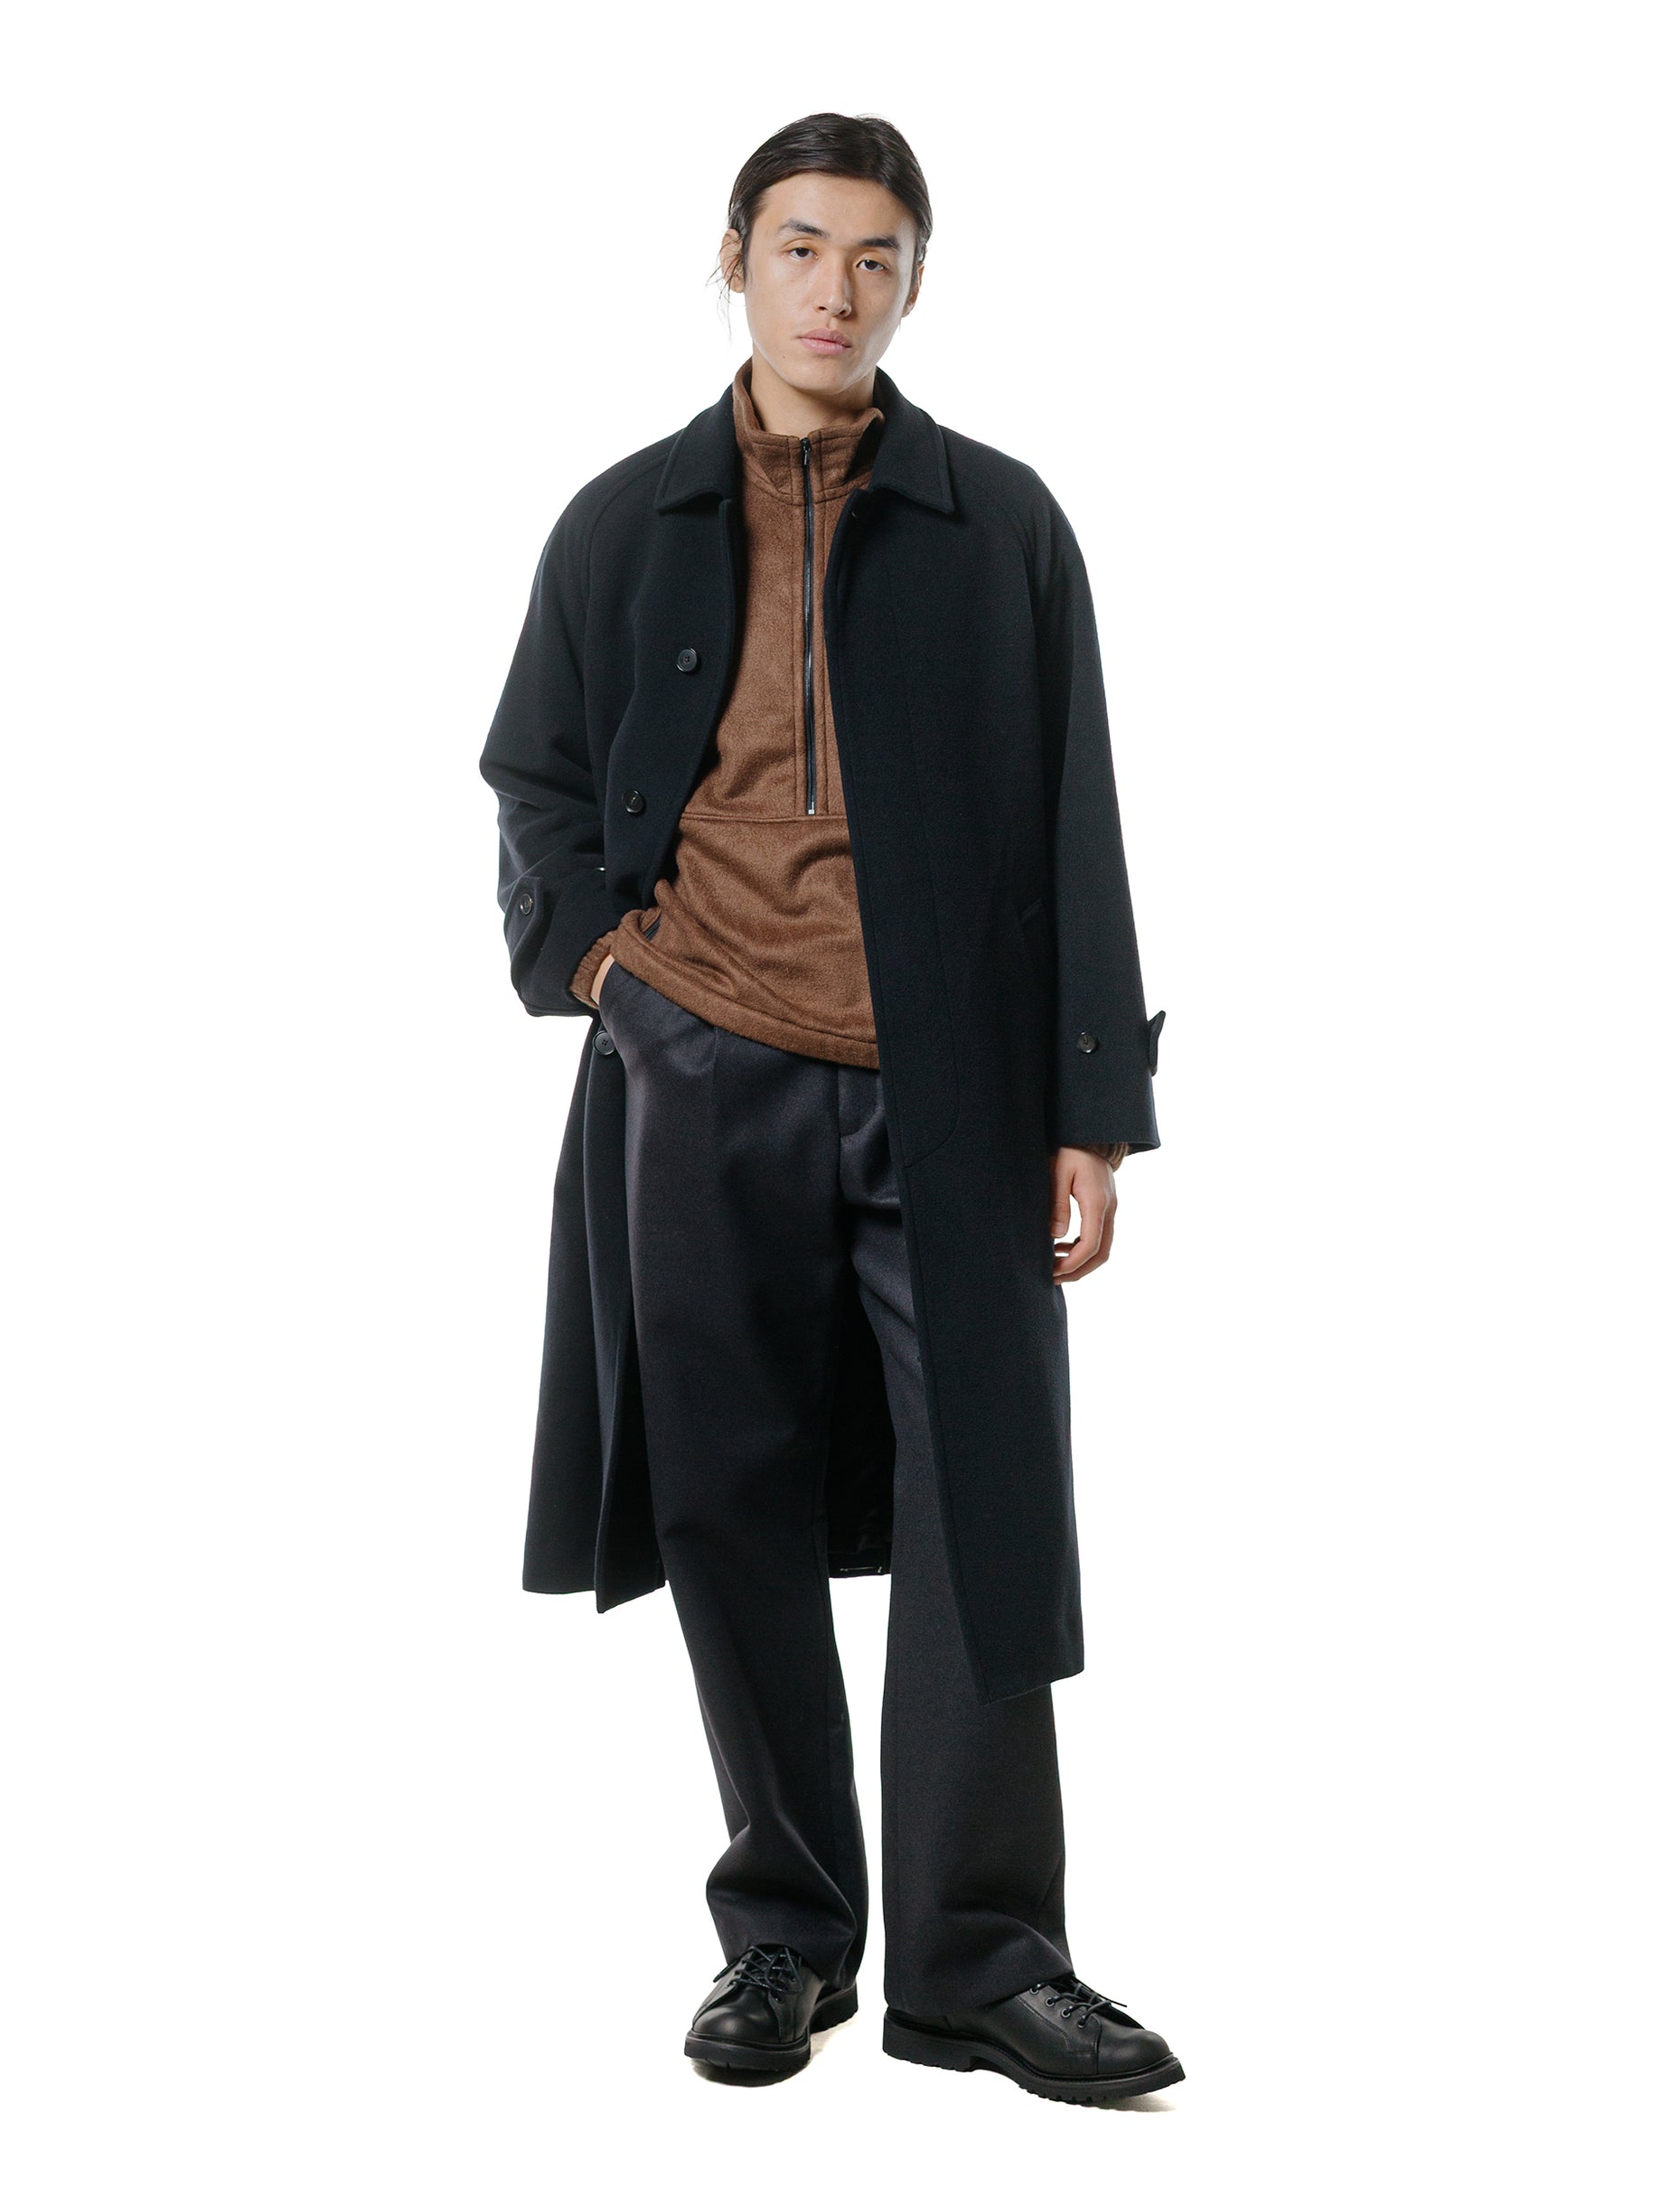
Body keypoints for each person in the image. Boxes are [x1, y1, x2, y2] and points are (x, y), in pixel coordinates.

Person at [480, 111, 1181, 2107]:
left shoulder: (999, 521)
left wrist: (1089, 1105)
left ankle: (983, 1962)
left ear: (912, 283)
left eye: (876, 257)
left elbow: (1076, 810)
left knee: (985, 1506)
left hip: (953, 1085)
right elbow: (534, 778)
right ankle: (784, 1937)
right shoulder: (621, 521)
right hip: (700, 1062)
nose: (835, 291)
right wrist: (613, 980)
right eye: (800, 248)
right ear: (734, 260)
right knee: (727, 1496)